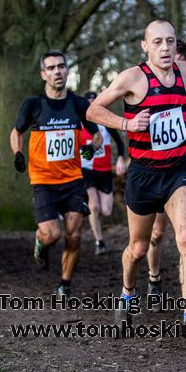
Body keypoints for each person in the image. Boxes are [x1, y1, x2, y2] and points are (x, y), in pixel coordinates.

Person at [87, 19, 186, 326]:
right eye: (158, 42)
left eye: (170, 41)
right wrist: (126, 123)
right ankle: (127, 292)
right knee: (138, 248)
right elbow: (93, 110)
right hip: (143, 173)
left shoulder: (185, 72)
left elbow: (184, 109)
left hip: (177, 169)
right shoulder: (132, 78)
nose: (165, 48)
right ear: (145, 45)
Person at [10, 50, 102, 299]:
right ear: (43, 74)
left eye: (61, 66)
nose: (57, 72)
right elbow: (16, 132)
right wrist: (18, 153)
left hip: (73, 180)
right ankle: (40, 242)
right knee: (52, 234)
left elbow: (97, 135)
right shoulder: (33, 105)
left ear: (67, 70)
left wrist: (90, 147)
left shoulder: (79, 104)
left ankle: (65, 283)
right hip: (43, 181)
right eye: (51, 68)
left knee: (74, 235)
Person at [146, 39, 186, 307]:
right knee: (157, 233)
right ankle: (154, 277)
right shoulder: (150, 88)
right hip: (161, 166)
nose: (178, 64)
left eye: (180, 58)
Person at [81, 91, 126, 255]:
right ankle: (99, 242)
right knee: (94, 206)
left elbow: (120, 143)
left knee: (106, 210)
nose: (92, 104)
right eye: (89, 102)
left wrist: (120, 159)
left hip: (104, 170)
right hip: (86, 170)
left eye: (95, 101)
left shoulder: (105, 121)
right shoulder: (80, 122)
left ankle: (94, 218)